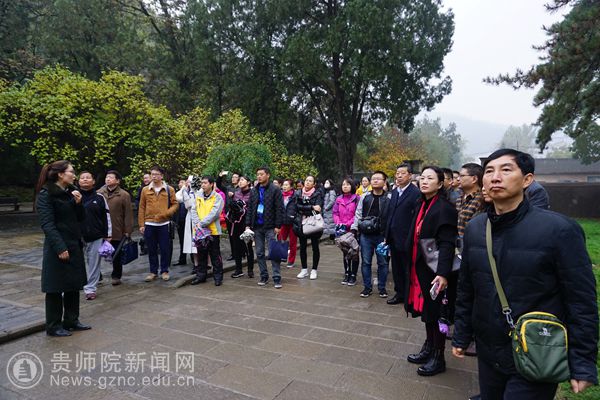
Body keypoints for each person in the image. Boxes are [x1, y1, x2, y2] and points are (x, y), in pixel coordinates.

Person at [452, 149, 598, 399]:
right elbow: (467, 288)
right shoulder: (476, 228)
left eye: (506, 170)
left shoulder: (559, 230)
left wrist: (582, 360)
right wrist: (462, 334)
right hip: (489, 349)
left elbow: (581, 301)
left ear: (527, 179)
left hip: (536, 349)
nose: (495, 177)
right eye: (489, 171)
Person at [405, 166, 458, 377]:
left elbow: (447, 243)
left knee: (437, 313)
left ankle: (438, 356)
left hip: (436, 270)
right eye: (422, 178)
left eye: (430, 178)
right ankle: (428, 346)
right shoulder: (422, 203)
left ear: (440, 183)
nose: (424, 181)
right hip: (421, 266)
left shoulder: (444, 208)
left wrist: (443, 273)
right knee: (427, 311)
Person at [35, 160, 91, 337]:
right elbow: (47, 224)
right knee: (55, 287)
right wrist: (60, 247)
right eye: (71, 172)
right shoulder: (46, 195)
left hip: (73, 244)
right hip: (57, 247)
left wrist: (79, 203)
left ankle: (71, 320)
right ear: (60, 174)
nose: (74, 175)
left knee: (73, 285)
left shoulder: (70, 192)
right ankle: (53, 325)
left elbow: (80, 218)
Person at [351, 171, 392, 298]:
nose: (375, 180)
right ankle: (367, 288)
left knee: (383, 263)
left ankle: (382, 288)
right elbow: (358, 213)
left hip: (382, 236)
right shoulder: (364, 197)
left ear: (384, 182)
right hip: (366, 235)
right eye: (373, 178)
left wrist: (389, 234)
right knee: (366, 262)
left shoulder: (389, 198)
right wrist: (354, 228)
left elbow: (391, 217)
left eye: (378, 179)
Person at [385, 163, 420, 305]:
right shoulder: (394, 192)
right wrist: (386, 235)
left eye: (402, 173)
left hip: (407, 238)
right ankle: (399, 293)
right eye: (397, 173)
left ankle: (409, 296)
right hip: (393, 237)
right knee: (396, 268)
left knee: (407, 268)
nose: (399, 176)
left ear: (410, 175)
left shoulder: (415, 193)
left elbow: (416, 218)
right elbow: (390, 214)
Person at [245, 166, 285, 288]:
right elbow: (250, 208)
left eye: (261, 174)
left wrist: (278, 225)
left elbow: (279, 208)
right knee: (259, 253)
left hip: (271, 226)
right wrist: (248, 225)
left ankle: (277, 277)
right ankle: (264, 276)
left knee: (274, 252)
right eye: (258, 174)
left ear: (268, 175)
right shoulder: (254, 190)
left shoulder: (275, 189)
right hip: (257, 226)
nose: (259, 176)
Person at [138, 165, 178, 282]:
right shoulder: (145, 190)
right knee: (151, 249)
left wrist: (167, 213)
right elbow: (141, 207)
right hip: (149, 223)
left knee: (165, 248)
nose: (154, 176)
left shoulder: (169, 189)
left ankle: (164, 271)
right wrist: (141, 224)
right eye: (152, 174)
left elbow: (175, 204)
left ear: (162, 176)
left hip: (164, 223)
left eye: (156, 174)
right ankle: (153, 272)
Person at [78, 172, 112, 300]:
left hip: (96, 235)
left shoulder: (99, 197)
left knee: (94, 262)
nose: (85, 179)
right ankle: (76, 285)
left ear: (93, 181)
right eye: (82, 178)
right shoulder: (73, 196)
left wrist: (108, 234)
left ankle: (90, 288)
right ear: (78, 181)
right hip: (77, 235)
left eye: (88, 178)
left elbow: (106, 216)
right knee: (77, 262)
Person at [98, 170, 133, 286]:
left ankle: (116, 276)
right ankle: (97, 276)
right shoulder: (99, 193)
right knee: (97, 253)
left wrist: (128, 230)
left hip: (117, 229)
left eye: (111, 177)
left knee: (116, 254)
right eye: (106, 177)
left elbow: (128, 214)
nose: (107, 179)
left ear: (117, 181)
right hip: (101, 229)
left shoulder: (124, 195)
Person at [190, 176, 225, 286]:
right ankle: (201, 276)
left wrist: (201, 223)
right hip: (200, 232)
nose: (203, 185)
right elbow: (193, 210)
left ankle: (218, 277)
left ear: (211, 184)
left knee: (215, 255)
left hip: (212, 231)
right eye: (202, 183)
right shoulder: (198, 196)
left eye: (205, 183)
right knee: (201, 254)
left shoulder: (217, 197)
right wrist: (197, 223)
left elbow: (215, 214)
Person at [295, 175, 324, 280]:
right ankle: (304, 269)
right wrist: (311, 207)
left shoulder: (318, 193)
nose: (307, 182)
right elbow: (296, 206)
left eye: (310, 181)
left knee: (315, 246)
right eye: (306, 180)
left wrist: (305, 208)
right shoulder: (298, 193)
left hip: (313, 223)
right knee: (302, 246)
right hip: (301, 223)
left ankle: (314, 270)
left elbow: (318, 208)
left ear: (314, 184)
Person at [333, 178, 359, 285]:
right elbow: (335, 213)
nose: (345, 186)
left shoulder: (357, 198)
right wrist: (339, 223)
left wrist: (347, 224)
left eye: (348, 184)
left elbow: (357, 214)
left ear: (352, 186)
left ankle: (353, 275)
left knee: (354, 252)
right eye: (343, 184)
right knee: (345, 252)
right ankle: (347, 273)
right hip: (342, 230)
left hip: (353, 230)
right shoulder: (338, 199)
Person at [228, 175, 255, 278]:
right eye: (239, 180)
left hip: (247, 224)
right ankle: (238, 270)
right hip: (236, 223)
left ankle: (250, 269)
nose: (240, 182)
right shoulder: (236, 193)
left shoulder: (253, 193)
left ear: (248, 182)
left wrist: (249, 224)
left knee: (248, 247)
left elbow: (253, 209)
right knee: (237, 247)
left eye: (242, 180)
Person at [456, 163, 485, 240]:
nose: (458, 179)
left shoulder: (481, 200)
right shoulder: (459, 199)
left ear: (474, 179)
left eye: (462, 176)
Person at [279, 179, 298, 268]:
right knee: (280, 240)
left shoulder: (295, 196)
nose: (284, 187)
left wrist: (295, 217)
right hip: (282, 221)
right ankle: (281, 257)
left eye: (286, 185)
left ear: (291, 187)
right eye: (284, 185)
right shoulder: (280, 196)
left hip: (293, 222)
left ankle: (291, 261)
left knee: (293, 243)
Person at [173, 179, 189, 266]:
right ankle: (182, 259)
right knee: (182, 241)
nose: (181, 184)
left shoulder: (189, 193)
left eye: (183, 182)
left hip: (188, 221)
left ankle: (195, 261)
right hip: (180, 221)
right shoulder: (177, 195)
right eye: (179, 183)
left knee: (190, 241)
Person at [136, 173, 151, 255]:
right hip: (144, 213)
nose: (145, 180)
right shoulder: (141, 189)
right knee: (144, 232)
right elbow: (137, 200)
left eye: (147, 178)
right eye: (144, 178)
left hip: (153, 214)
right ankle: (145, 248)